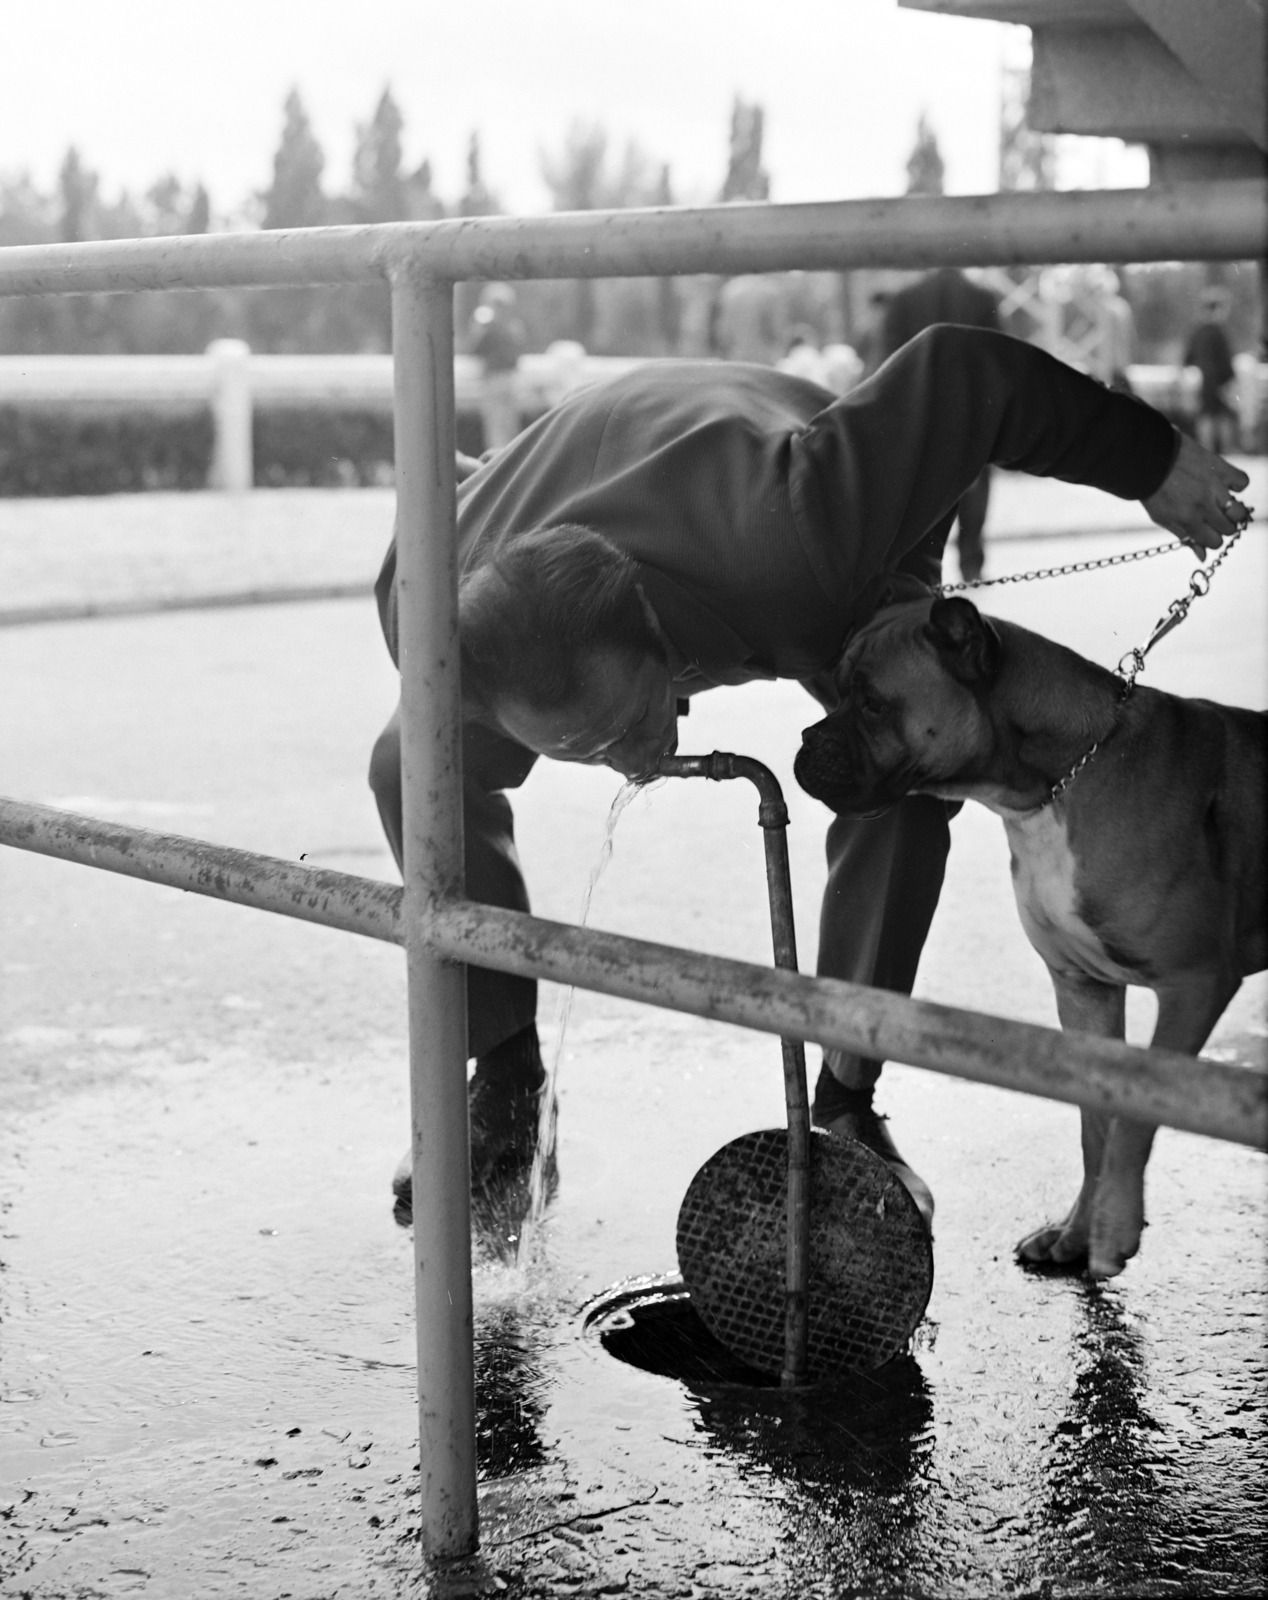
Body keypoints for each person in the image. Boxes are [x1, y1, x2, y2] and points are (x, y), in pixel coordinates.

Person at [371, 325, 1248, 1229]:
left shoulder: (798, 534)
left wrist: (1150, 460)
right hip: (559, 485)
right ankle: (507, 1077)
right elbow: (452, 501)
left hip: (776, 498)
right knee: (409, 771)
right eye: (582, 749)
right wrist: (498, 1045)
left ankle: (844, 1096)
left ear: (654, 632)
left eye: (626, 726)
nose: (635, 764)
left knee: (901, 773)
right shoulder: (431, 633)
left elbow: (961, 371)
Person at [881, 268, 1003, 582]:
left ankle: (923, 571)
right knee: (973, 487)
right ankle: (971, 564)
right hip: (970, 410)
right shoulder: (982, 297)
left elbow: (887, 363)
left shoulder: (904, 300)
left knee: (922, 492)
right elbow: (1000, 359)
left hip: (920, 413)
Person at [470, 283, 527, 451]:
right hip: (508, 381)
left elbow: (475, 349)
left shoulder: (489, 327)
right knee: (507, 430)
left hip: (497, 381)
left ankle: (500, 464)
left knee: (499, 431)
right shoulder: (514, 327)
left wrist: (479, 329)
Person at [1185, 287, 1239, 456]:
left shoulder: (1197, 331)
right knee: (1221, 417)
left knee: (1206, 416)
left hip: (1204, 381)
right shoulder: (1217, 332)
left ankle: (1207, 452)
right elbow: (1225, 361)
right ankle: (1225, 451)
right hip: (1217, 381)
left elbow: (1187, 359)